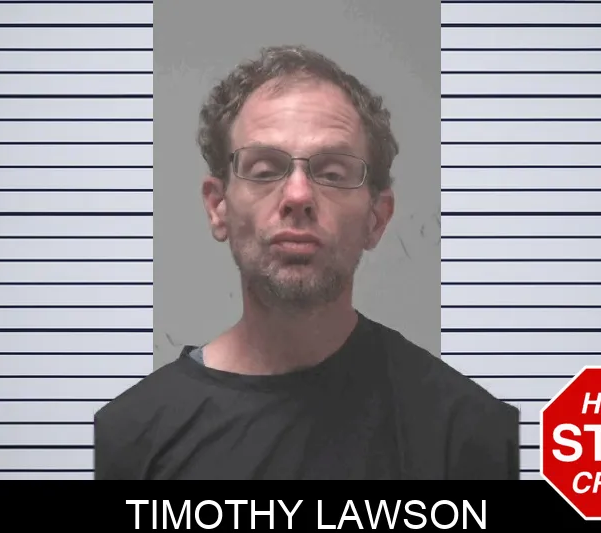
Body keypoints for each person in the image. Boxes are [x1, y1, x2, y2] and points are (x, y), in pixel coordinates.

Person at [94, 44, 519, 480]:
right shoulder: (125, 442)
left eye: (332, 173)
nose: (298, 196)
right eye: (264, 170)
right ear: (218, 207)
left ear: (376, 218)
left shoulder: (472, 437)